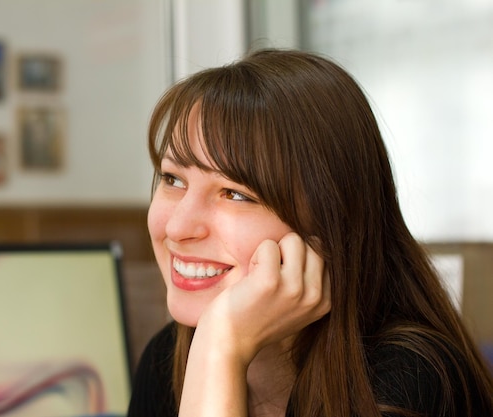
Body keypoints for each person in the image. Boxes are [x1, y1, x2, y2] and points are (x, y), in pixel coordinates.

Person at [127, 48, 493, 417]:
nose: (177, 227)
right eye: (173, 179)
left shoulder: (413, 379)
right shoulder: (167, 358)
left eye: (235, 194)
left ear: (329, 222)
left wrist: (220, 348)